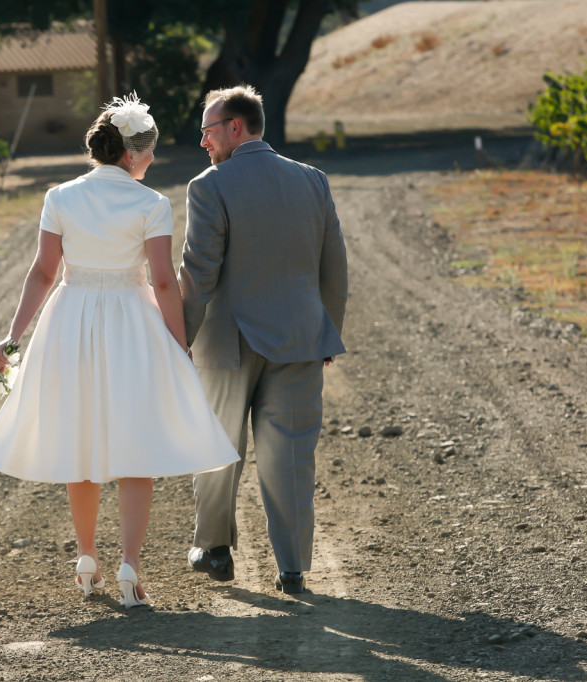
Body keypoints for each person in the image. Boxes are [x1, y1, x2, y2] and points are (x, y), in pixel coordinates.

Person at [0, 94, 238, 608]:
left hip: (70, 323)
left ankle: (87, 555)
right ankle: (130, 567)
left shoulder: (60, 196)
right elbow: (162, 281)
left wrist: (13, 337)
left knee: (81, 442)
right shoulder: (152, 204)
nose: (153, 161)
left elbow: (44, 272)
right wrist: (178, 348)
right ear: (134, 154)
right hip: (130, 325)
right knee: (133, 450)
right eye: (151, 152)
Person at [179, 85, 348, 595]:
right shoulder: (313, 180)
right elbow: (334, 267)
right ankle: (293, 567)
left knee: (217, 445)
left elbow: (198, 276)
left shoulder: (209, 186)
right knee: (291, 454)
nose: (204, 142)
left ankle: (213, 550)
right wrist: (326, 334)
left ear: (236, 127)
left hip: (227, 343)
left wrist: (176, 339)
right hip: (299, 339)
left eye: (208, 131)